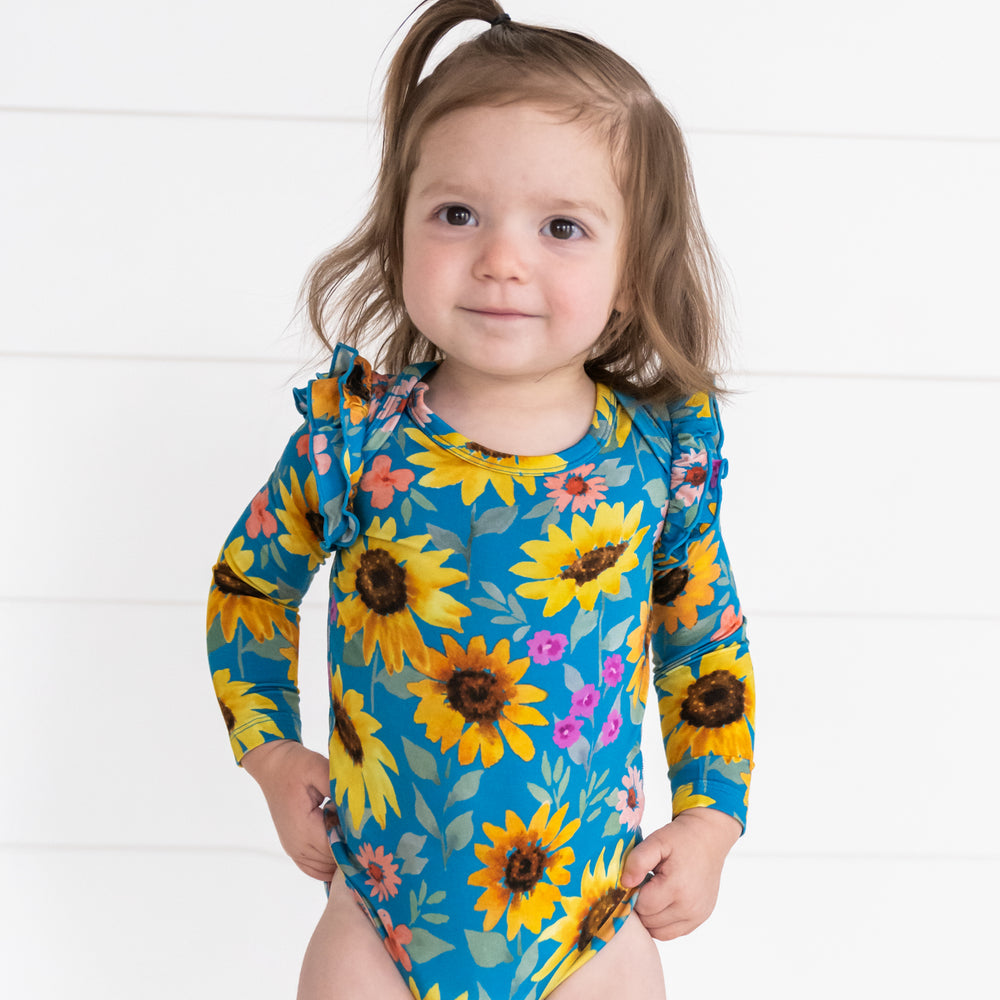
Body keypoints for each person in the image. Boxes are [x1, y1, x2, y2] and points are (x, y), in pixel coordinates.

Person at [207, 2, 755, 998]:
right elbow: (251, 586)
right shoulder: (351, 443)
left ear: (633, 270)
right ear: (397, 226)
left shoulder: (652, 461)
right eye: (457, 214)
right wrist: (271, 750)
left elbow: (703, 647)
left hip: (590, 926)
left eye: (561, 227)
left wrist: (711, 816)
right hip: (377, 917)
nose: (502, 258)